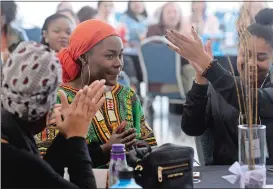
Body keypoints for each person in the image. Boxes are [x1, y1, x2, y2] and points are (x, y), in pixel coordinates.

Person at [166, 8, 273, 165]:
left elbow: (253, 100)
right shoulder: (219, 87)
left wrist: (208, 66)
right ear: (237, 51)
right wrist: (201, 80)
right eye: (245, 55)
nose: (251, 64)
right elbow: (192, 128)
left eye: (261, 58)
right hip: (223, 176)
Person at [36, 20, 157, 168]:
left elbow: (149, 144)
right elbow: (46, 161)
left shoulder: (126, 95)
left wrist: (139, 147)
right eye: (110, 56)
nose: (118, 63)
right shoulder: (58, 98)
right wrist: (106, 149)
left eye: (120, 55)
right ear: (84, 57)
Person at [1, 41, 106, 188]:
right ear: (45, 107)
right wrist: (77, 136)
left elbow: (46, 175)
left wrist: (65, 136)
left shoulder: (9, 131)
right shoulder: (16, 160)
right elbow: (39, 172)